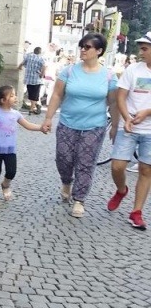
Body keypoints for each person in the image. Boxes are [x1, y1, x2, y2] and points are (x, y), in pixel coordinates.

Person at [41, 33, 118, 218]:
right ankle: (66, 181)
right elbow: (57, 95)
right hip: (68, 123)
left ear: (99, 51)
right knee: (64, 158)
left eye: (87, 47)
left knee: (85, 163)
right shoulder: (68, 71)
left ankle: (79, 199)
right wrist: (48, 118)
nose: (82, 49)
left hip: (94, 126)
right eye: (82, 46)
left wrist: (115, 126)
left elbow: (113, 103)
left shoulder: (108, 76)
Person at [106, 31, 151, 230]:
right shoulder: (133, 70)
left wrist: (148, 112)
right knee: (117, 166)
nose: (141, 52)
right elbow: (121, 97)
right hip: (129, 126)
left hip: (150, 130)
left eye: (145, 48)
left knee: (146, 169)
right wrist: (126, 118)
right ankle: (121, 189)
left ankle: (136, 212)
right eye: (141, 48)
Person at [0, 86, 46, 206]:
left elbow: (28, 125)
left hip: (10, 149)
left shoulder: (16, 114)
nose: (15, 97)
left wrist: (40, 128)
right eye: (12, 96)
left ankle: (5, 184)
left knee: (11, 171)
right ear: (3, 100)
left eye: (15, 95)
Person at [18, 46, 46, 115]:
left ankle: (33, 107)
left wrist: (19, 67)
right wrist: (42, 75)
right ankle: (32, 108)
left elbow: (23, 63)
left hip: (29, 79)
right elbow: (44, 67)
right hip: (37, 79)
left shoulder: (29, 56)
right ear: (40, 52)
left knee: (30, 94)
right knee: (35, 94)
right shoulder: (41, 58)